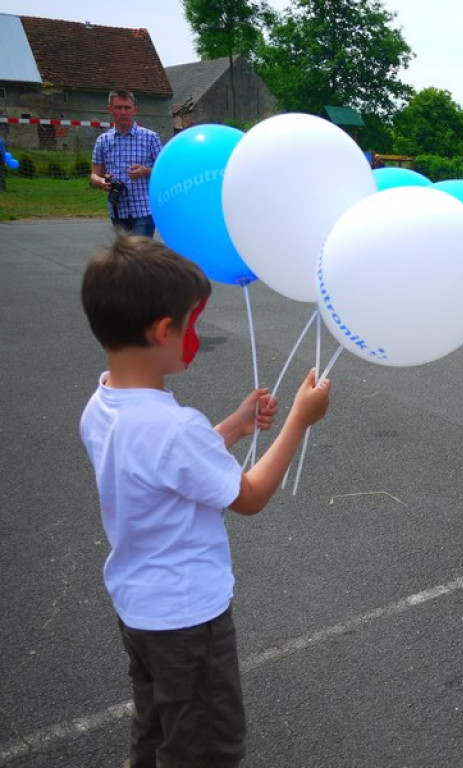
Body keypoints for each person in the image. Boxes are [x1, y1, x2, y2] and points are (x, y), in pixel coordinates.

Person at [79, 235, 331, 766]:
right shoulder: (175, 427)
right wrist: (297, 422)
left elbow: (164, 468)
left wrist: (236, 427)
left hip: (139, 609)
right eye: (191, 324)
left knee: (156, 726)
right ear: (164, 331)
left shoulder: (101, 405)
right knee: (206, 746)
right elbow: (251, 496)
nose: (195, 335)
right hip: (188, 619)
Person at [90, 89, 163, 237]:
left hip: (144, 209)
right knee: (125, 257)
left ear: (134, 110)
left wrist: (144, 171)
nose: (123, 112)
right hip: (117, 209)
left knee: (139, 257)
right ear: (110, 109)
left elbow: (164, 172)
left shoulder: (150, 138)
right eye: (118, 108)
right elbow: (94, 176)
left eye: (127, 108)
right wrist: (102, 181)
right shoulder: (102, 141)